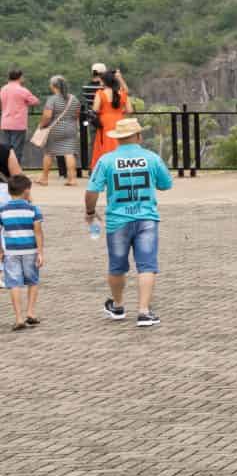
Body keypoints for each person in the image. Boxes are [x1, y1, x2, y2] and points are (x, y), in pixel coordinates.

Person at [86, 116, 173, 327]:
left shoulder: (106, 160)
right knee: (147, 266)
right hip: (146, 218)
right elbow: (165, 184)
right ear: (138, 136)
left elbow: (92, 191)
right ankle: (144, 311)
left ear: (118, 138)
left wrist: (90, 212)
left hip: (118, 220)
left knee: (117, 266)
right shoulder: (151, 158)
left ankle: (117, 305)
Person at [3, 173, 43, 330]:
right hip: (30, 251)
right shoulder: (33, 209)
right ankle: (31, 313)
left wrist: (1, 251)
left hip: (11, 252)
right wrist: (40, 252)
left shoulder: (2, 210)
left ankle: (19, 317)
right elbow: (38, 232)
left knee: (14, 284)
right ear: (27, 191)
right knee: (33, 281)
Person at [40, 75, 82, 186]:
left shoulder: (52, 99)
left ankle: (44, 179)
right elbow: (77, 114)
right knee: (69, 153)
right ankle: (72, 179)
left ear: (53, 86)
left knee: (49, 153)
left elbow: (47, 116)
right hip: (70, 129)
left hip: (55, 129)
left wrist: (42, 125)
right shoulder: (74, 98)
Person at [90, 67, 133, 169]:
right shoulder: (122, 93)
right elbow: (130, 110)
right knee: (121, 143)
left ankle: (106, 168)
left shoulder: (100, 93)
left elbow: (95, 109)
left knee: (105, 145)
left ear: (105, 81)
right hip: (119, 121)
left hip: (105, 122)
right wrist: (119, 112)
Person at [0, 70, 38, 174]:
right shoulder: (22, 90)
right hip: (18, 124)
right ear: (19, 77)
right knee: (16, 150)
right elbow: (35, 101)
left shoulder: (3, 89)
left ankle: (4, 172)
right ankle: (15, 173)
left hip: (5, 122)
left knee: (5, 150)